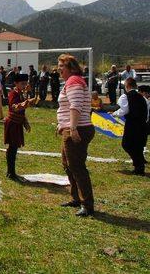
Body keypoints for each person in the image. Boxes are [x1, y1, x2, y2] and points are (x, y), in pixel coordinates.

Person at [56, 54, 95, 217]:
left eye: (61, 66)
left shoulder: (74, 82)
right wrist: (62, 125)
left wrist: (72, 128)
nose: (58, 68)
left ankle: (87, 204)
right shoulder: (72, 82)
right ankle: (76, 198)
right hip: (72, 128)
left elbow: (75, 106)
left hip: (78, 129)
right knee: (68, 164)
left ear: (71, 67)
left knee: (77, 167)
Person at [113, 78, 149, 175]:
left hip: (132, 124)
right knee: (138, 146)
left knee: (127, 144)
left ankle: (139, 164)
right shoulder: (143, 98)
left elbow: (123, 110)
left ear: (127, 86)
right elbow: (147, 111)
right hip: (143, 124)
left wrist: (114, 114)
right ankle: (139, 167)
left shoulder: (125, 96)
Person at [4, 74, 34, 181]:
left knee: (14, 148)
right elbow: (14, 107)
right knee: (12, 148)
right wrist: (26, 103)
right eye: (22, 83)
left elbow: (22, 111)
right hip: (12, 123)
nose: (24, 85)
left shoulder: (22, 94)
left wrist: (26, 123)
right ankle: (10, 172)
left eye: (26, 83)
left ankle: (11, 172)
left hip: (17, 123)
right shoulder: (13, 93)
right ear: (16, 84)